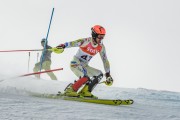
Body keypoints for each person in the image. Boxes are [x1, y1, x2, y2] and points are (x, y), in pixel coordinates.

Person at [56, 25, 113, 98]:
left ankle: (86, 91)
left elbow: (105, 60)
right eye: (99, 37)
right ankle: (70, 90)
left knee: (99, 74)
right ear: (94, 35)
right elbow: (72, 43)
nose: (101, 39)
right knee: (85, 77)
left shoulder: (101, 47)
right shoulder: (86, 41)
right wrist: (63, 46)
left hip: (84, 65)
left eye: (103, 37)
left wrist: (108, 75)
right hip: (76, 63)